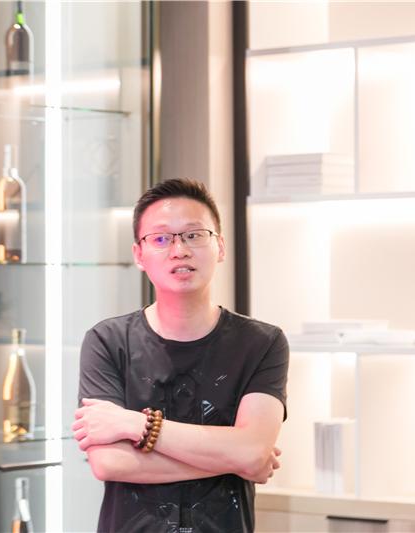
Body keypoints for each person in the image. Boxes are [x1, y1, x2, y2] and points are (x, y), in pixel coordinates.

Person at [72, 178, 289, 532]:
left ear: (220, 246)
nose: (179, 250)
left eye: (193, 235)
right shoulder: (108, 341)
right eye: (160, 239)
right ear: (139, 255)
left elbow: (252, 452)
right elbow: (109, 463)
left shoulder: (261, 343)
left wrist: (137, 425)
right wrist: (234, 458)